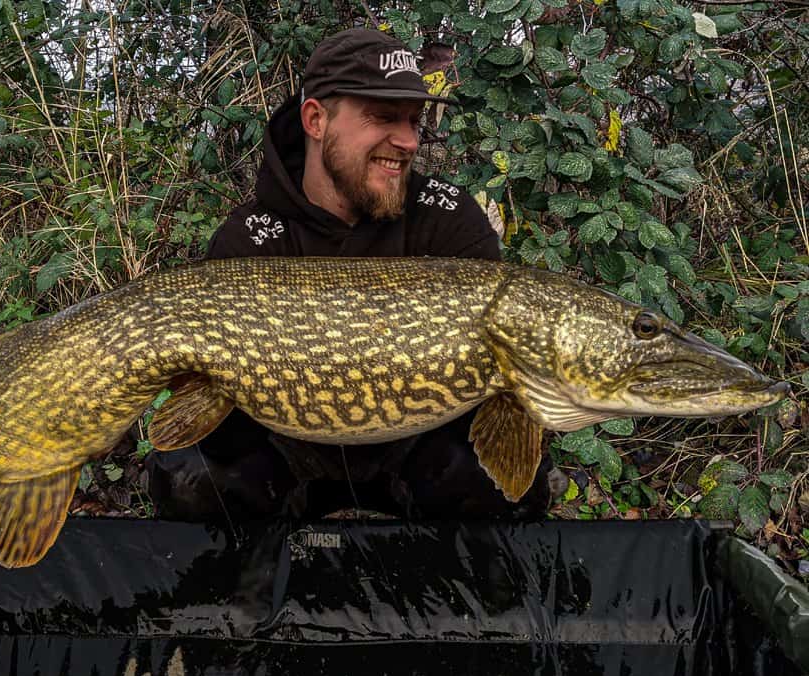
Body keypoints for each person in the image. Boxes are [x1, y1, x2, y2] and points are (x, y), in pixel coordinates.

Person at [144, 27, 554, 522]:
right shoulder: (250, 241)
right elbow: (208, 409)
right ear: (316, 120)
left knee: (499, 483)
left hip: (415, 454)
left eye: (413, 120)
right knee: (189, 476)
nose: (406, 141)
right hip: (292, 455)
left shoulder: (449, 220)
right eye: (383, 117)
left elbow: (506, 393)